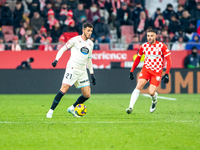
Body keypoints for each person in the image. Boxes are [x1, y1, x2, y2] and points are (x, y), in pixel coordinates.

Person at [46, 22, 96, 118]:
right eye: (88, 31)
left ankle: (72, 108)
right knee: (63, 89)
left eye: (91, 31)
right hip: (72, 68)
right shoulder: (75, 40)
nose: (90, 33)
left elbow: (89, 59)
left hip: (82, 71)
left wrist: (92, 74)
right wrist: (56, 60)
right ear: (83, 30)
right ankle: (51, 111)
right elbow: (63, 49)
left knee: (87, 95)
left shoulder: (91, 44)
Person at [126, 29, 172, 114]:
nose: (149, 37)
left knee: (151, 92)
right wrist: (131, 70)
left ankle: (154, 101)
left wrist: (166, 74)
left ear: (155, 36)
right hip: (146, 70)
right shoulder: (143, 46)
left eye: (151, 36)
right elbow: (138, 58)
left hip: (157, 72)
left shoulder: (162, 46)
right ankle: (130, 107)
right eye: (148, 36)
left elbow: (168, 60)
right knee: (139, 86)